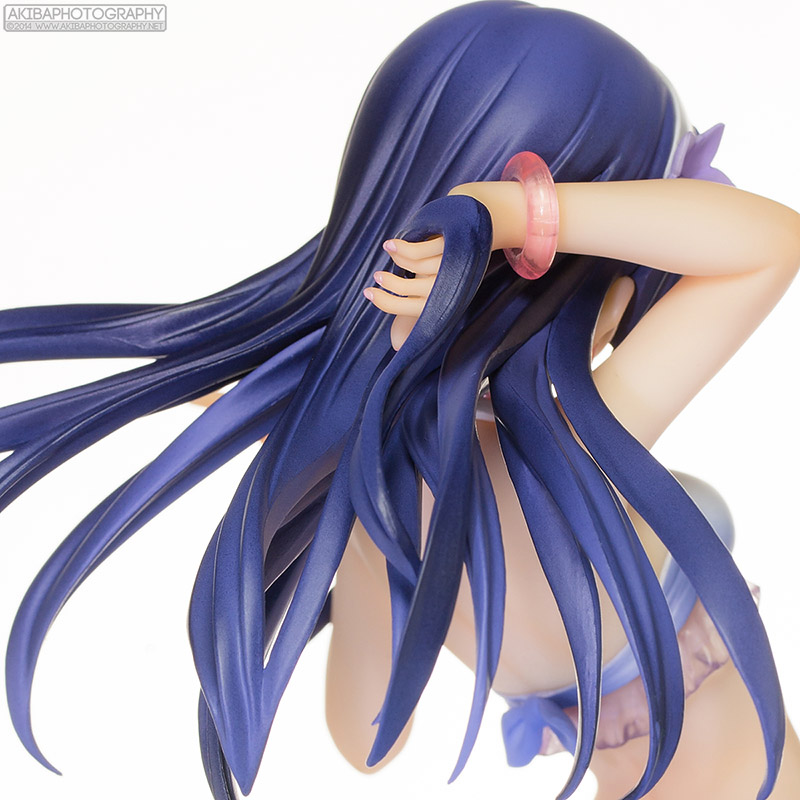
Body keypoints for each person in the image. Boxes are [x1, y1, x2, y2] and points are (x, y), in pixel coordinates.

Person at [1, 3, 798, 799]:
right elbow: (769, 245)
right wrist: (517, 214)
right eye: (626, 262)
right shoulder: (569, 454)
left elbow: (368, 739)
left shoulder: (411, 504)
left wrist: (350, 503)